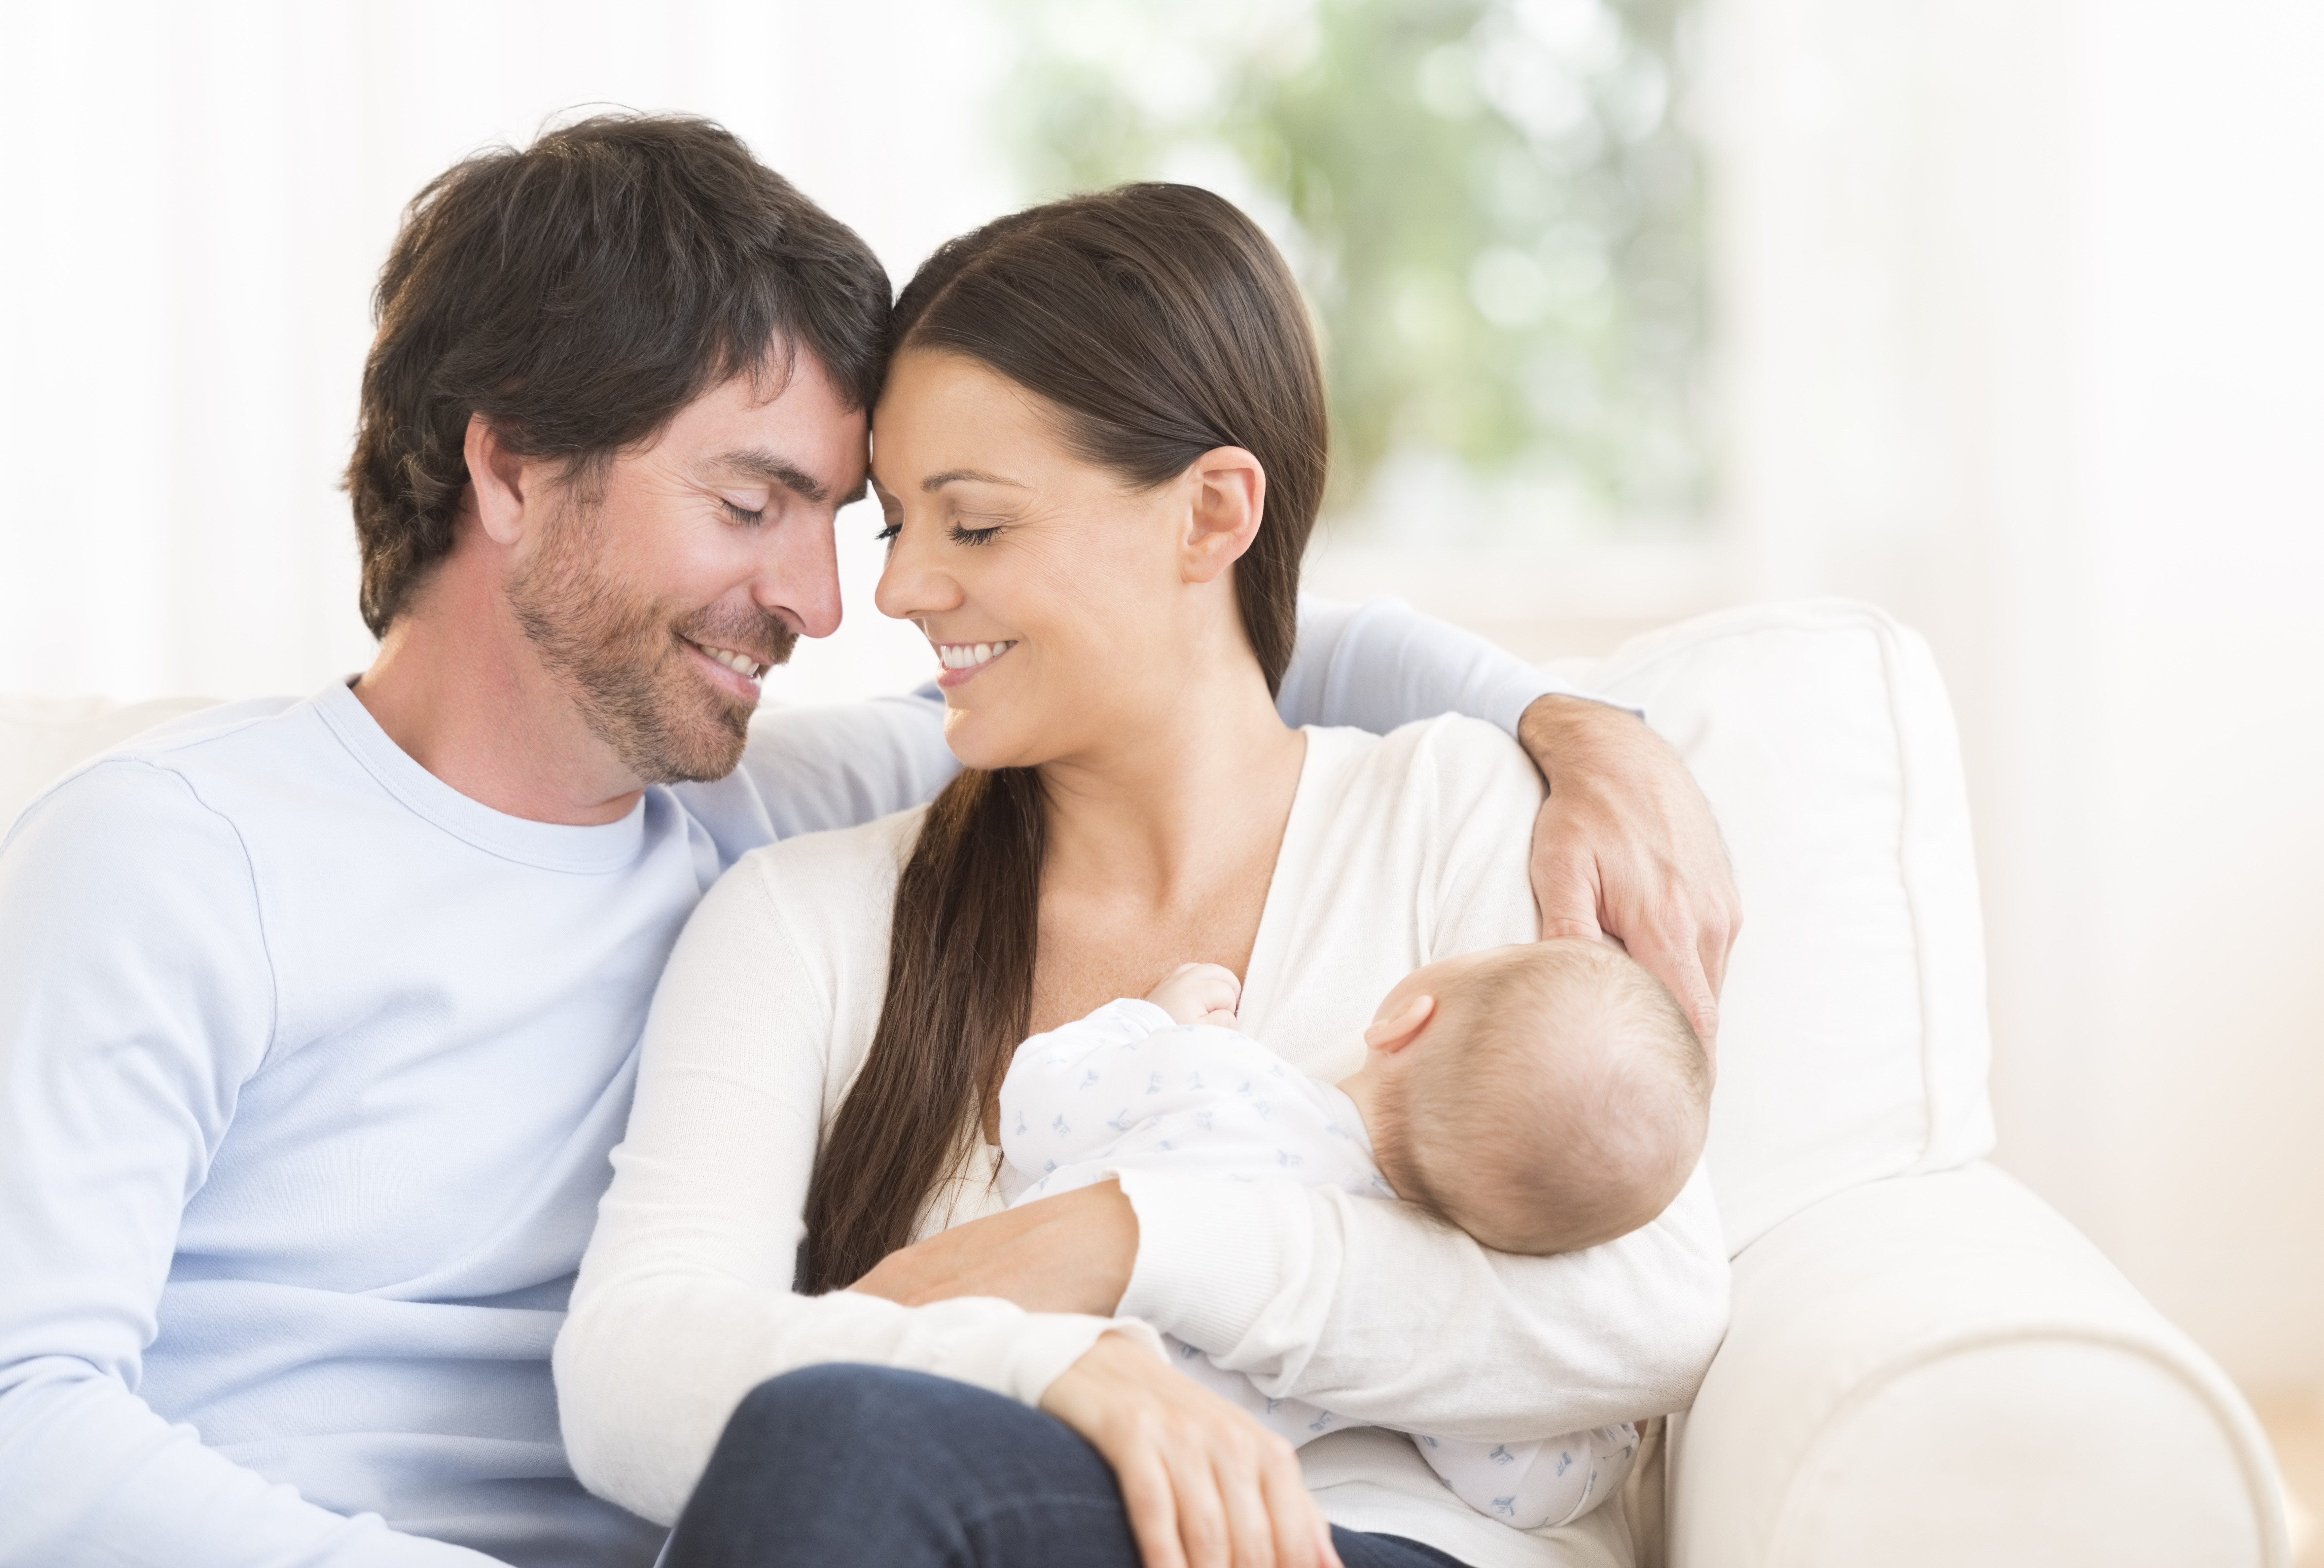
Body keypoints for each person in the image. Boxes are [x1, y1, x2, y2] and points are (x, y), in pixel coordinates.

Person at [0, 115, 1738, 1568]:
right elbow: (22, 1424)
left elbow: (1185, 656)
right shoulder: (180, 854)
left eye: (867, 523)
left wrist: (1579, 728)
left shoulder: (773, 793)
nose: (839, 602)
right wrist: (1042, 1362)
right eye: (756, 507)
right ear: (511, 471)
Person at [556, 182, 1731, 1568]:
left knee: (842, 1437)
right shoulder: (804, 919)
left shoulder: (1464, 816)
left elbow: (1647, 1309)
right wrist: (1043, 1367)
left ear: (1211, 514)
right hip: (1007, 1523)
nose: (900, 592)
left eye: (973, 526)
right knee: (833, 1447)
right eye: (895, 528)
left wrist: (1132, 1242)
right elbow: (629, 1376)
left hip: (1378, 1548)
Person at [997, 937, 1711, 1532]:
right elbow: (1522, 1487)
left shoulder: (1223, 1075)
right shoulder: (1417, 1325)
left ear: (1403, 1022)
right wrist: (1616, 1440)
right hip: (1124, 1503)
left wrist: (1146, 1021)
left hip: (979, 1345)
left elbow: (1033, 1114)